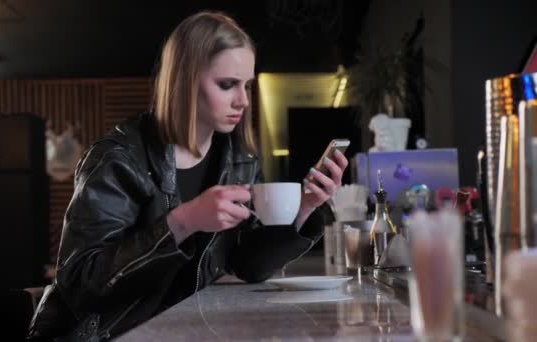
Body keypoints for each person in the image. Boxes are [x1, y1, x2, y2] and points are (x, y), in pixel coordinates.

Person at [28, 11, 348, 341]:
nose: (243, 101)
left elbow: (249, 266)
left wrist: (305, 207)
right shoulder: (118, 158)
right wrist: (183, 221)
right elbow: (80, 283)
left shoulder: (237, 159)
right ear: (184, 81)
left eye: (247, 86)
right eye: (227, 85)